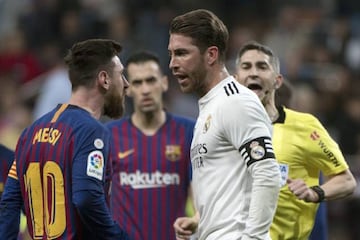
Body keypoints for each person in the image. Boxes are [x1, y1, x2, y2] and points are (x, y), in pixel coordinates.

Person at [0, 39, 130, 240]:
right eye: (121, 74)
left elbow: (10, 201)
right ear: (104, 79)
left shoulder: (30, 133)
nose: (127, 85)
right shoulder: (91, 131)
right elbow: (86, 198)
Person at [169, 9, 281, 240]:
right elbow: (227, 184)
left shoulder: (236, 101)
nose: (172, 64)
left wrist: (253, 237)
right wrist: (199, 222)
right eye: (171, 54)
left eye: (181, 53)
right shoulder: (211, 107)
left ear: (211, 55)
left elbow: (267, 172)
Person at [234, 41, 357, 240]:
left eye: (262, 66)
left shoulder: (304, 126)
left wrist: (315, 192)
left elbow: (346, 181)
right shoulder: (222, 128)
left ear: (277, 80)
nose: (254, 72)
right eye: (246, 66)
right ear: (235, 80)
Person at [106, 50, 195, 240]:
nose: (145, 89)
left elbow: (202, 193)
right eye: (137, 82)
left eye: (151, 80)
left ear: (164, 83)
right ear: (127, 88)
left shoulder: (189, 131)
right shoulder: (109, 136)